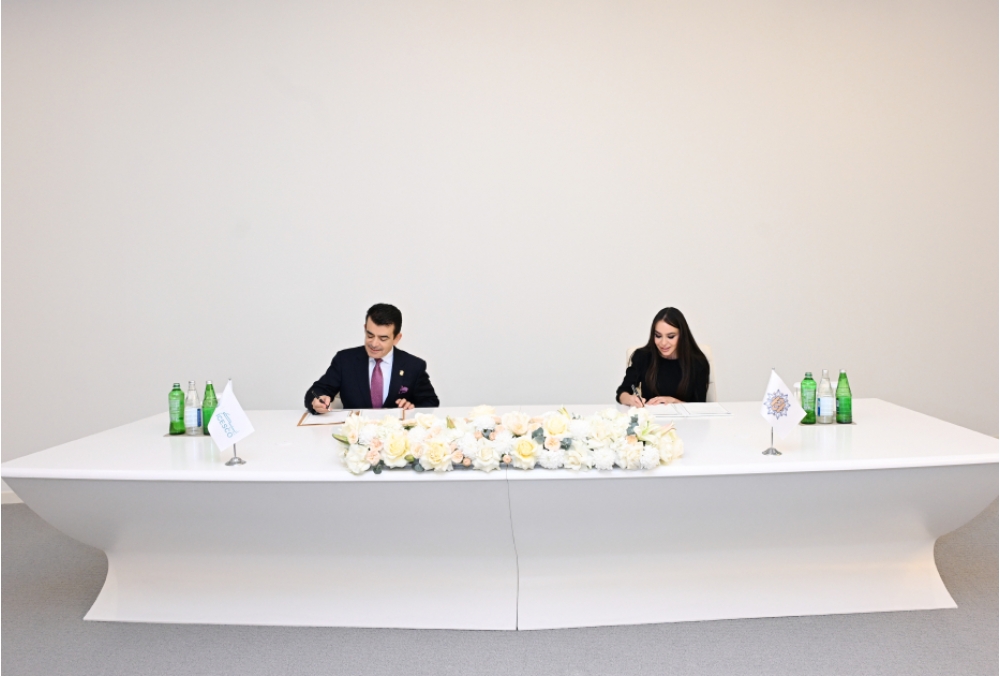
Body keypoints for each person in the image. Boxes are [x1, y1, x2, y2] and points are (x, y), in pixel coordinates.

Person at [305, 303, 439, 413]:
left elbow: (430, 402)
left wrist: (413, 408)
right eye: (370, 335)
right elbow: (315, 391)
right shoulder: (345, 360)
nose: (374, 344)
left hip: (396, 434)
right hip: (355, 434)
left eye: (383, 338)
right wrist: (317, 400)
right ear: (365, 328)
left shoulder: (413, 365)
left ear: (397, 338)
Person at [617, 307, 710, 407]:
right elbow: (622, 392)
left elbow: (700, 406)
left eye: (671, 336)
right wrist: (630, 399)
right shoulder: (642, 356)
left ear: (682, 335)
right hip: (651, 416)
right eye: (658, 336)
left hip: (685, 417)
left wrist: (673, 401)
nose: (663, 343)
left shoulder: (698, 362)